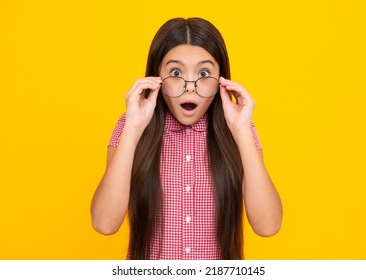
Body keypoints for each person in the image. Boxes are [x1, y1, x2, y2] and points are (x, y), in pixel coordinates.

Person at [91, 17, 282, 260]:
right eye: (175, 72)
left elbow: (268, 226)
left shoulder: (239, 128)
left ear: (221, 81)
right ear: (156, 77)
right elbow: (104, 224)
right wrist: (133, 128)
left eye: (203, 73)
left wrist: (242, 131)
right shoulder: (131, 125)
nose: (190, 86)